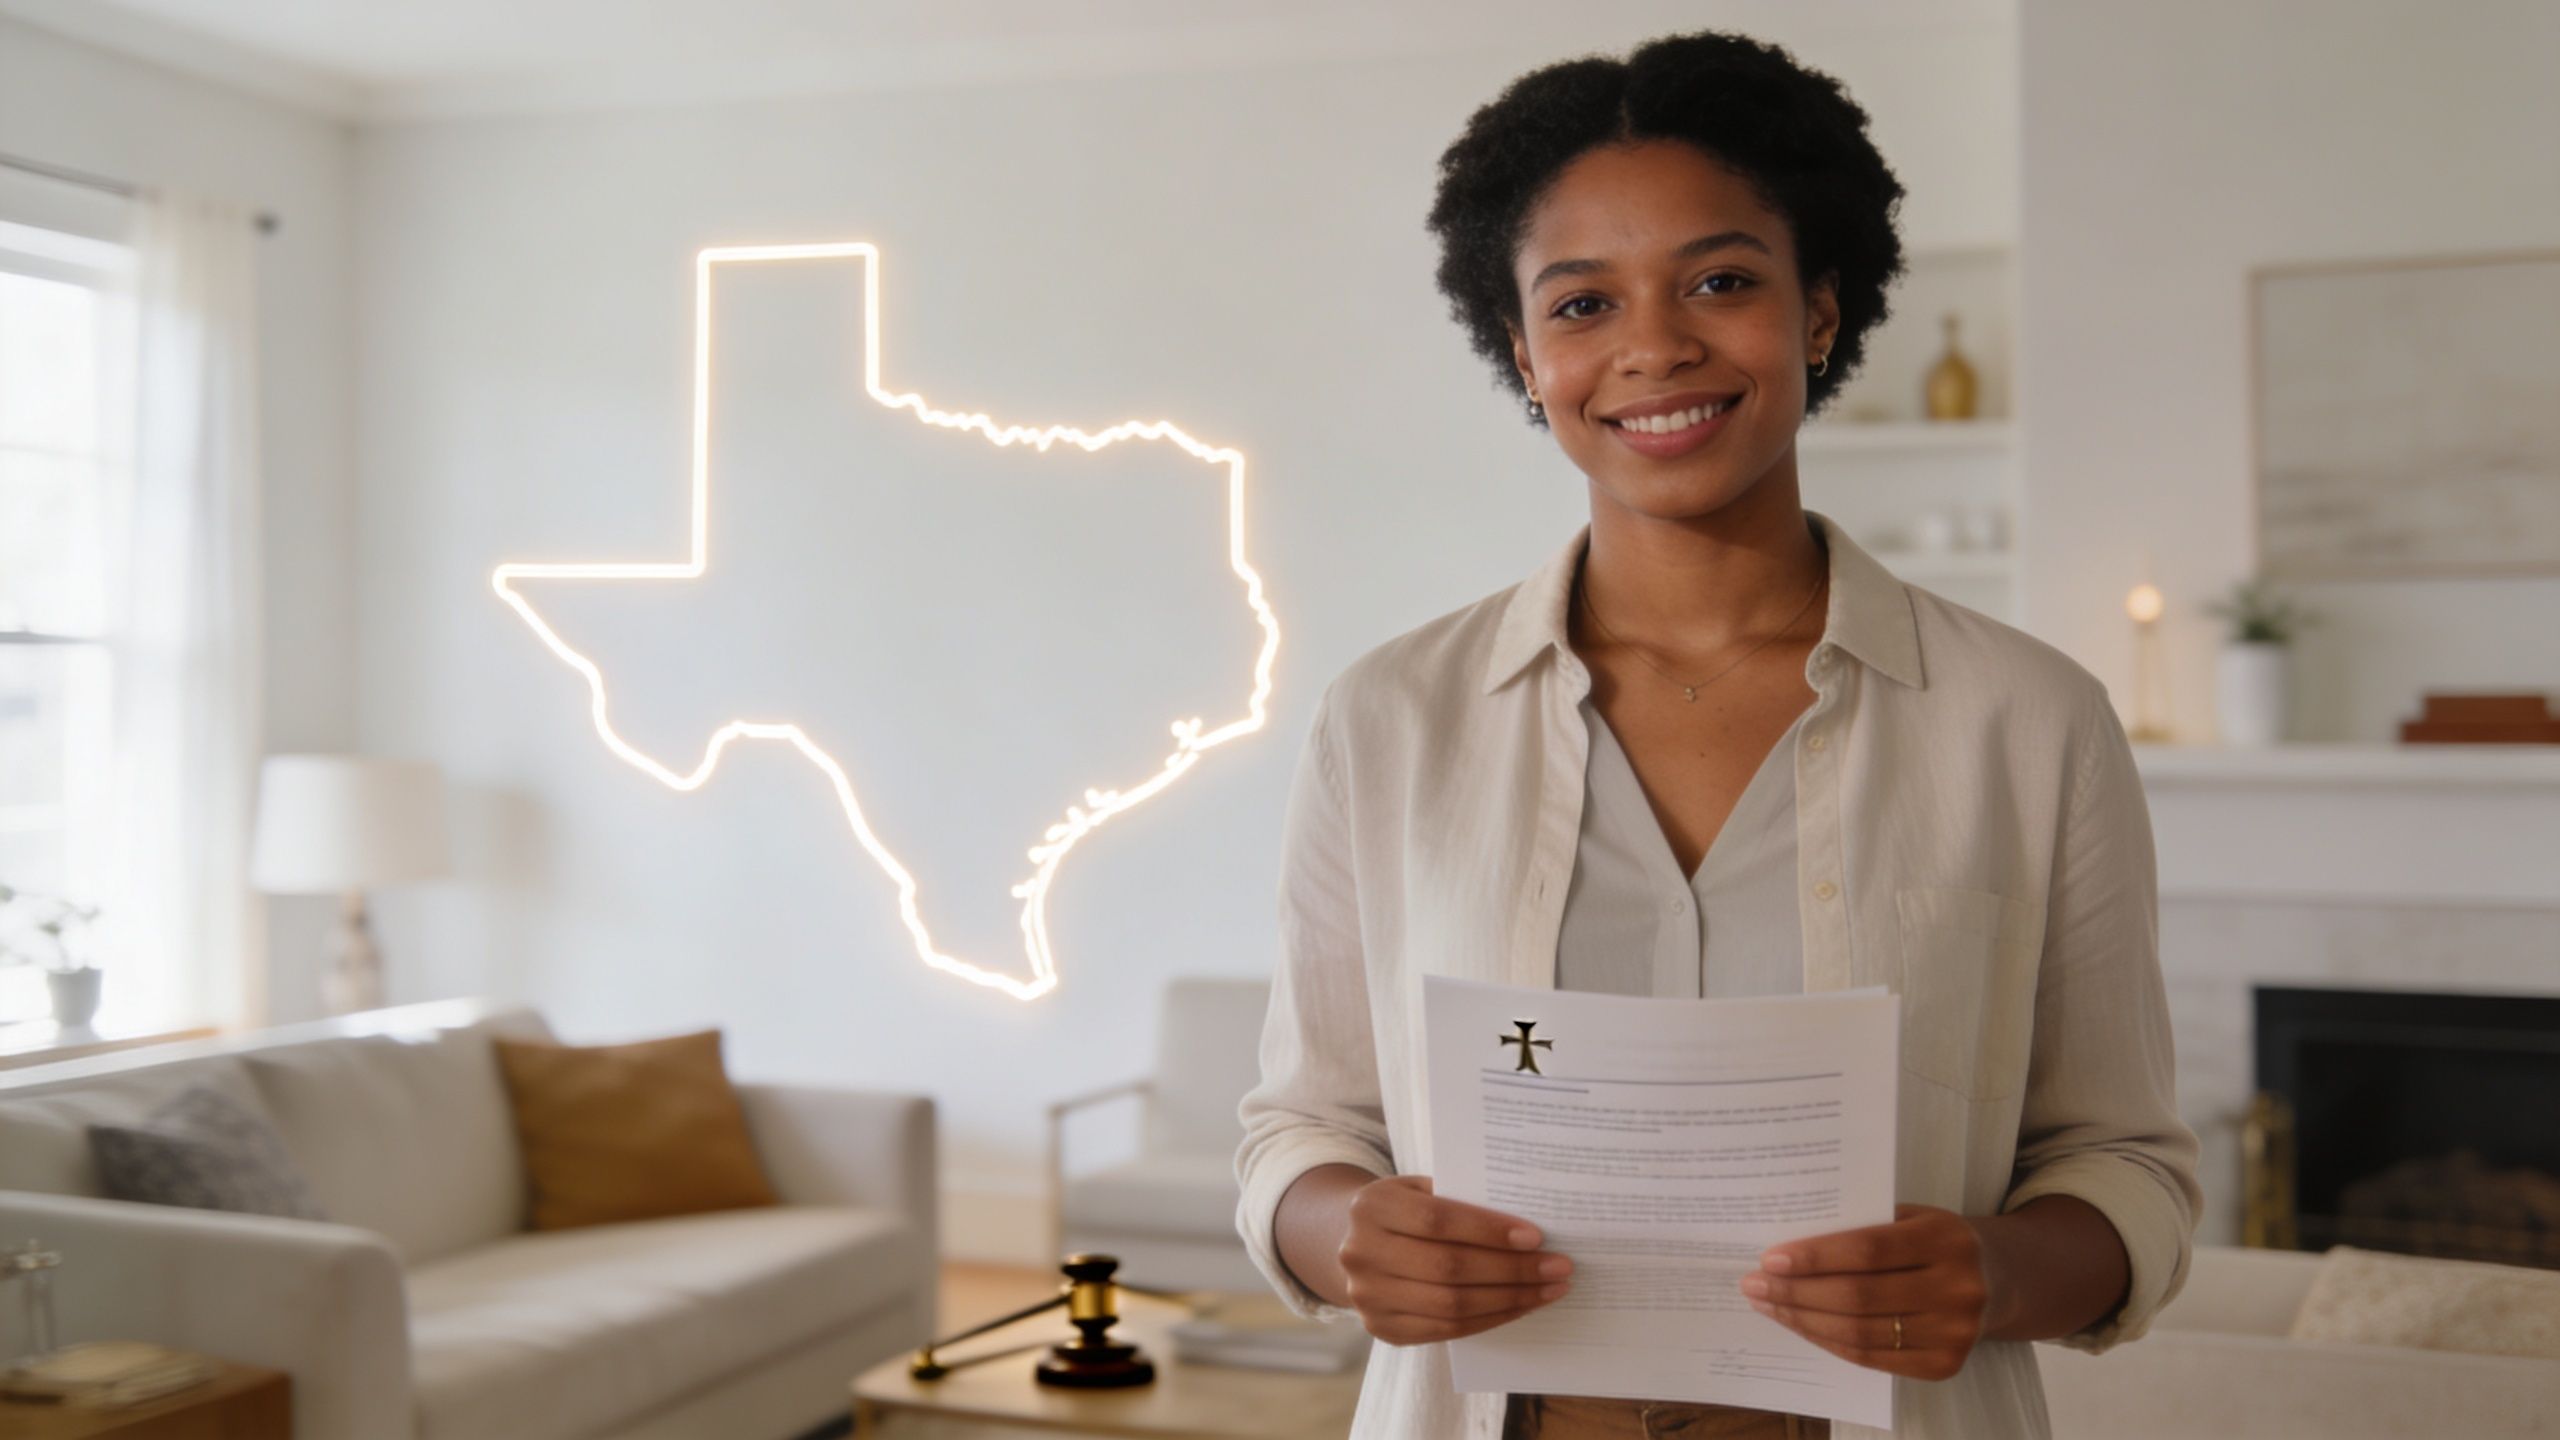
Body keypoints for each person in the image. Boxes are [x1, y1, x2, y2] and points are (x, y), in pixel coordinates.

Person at [1232, 29, 2201, 1440]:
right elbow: (1297, 1134)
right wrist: (1345, 1235)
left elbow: (2130, 1171)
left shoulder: (2029, 721)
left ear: (1820, 310)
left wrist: (1993, 1273)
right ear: (1522, 353)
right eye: (1581, 306)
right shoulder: (1390, 719)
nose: (1655, 347)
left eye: (1721, 281)